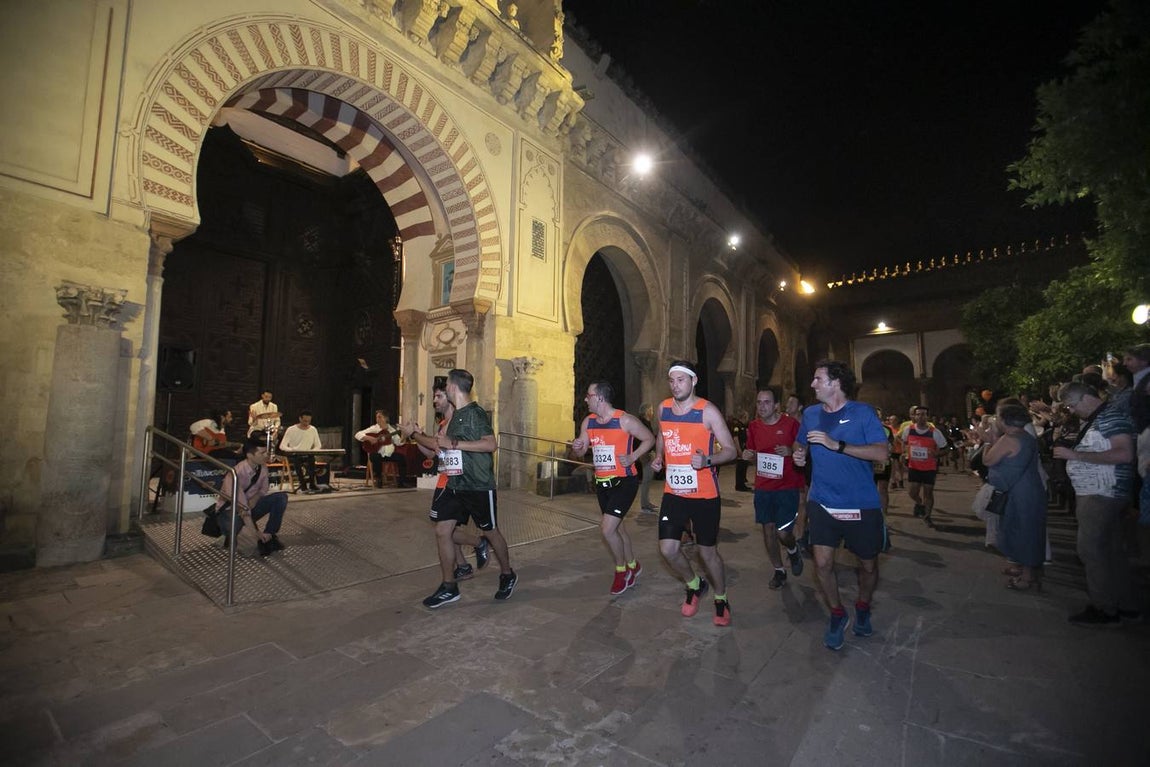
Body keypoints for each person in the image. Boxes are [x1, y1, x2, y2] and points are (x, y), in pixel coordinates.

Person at [793, 360, 889, 651]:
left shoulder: (862, 413)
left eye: (817, 379)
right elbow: (801, 445)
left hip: (861, 503)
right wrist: (800, 455)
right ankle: (837, 613)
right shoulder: (810, 414)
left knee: (868, 565)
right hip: (822, 501)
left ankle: (863, 605)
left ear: (835, 383)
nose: (812, 385)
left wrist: (839, 445)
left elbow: (882, 453)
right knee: (822, 563)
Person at [414, 369, 516, 607]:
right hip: (454, 483)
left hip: (478, 486)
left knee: (491, 532)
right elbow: (442, 448)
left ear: (453, 387)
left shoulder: (475, 413)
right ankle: (449, 586)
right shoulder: (454, 416)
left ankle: (508, 574)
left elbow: (491, 444)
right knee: (442, 531)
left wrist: (455, 443)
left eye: (447, 384)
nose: (444, 388)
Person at [650, 361, 738, 626]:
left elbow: (732, 450)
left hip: (704, 494)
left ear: (694, 381)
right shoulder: (663, 408)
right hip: (674, 492)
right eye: (672, 380)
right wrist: (658, 456)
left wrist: (708, 460)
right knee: (668, 549)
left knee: (707, 553)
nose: (675, 385)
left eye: (681, 380)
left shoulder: (707, 411)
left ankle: (721, 598)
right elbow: (662, 437)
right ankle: (694, 584)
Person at [1054, 382, 1141, 626]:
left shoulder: (1111, 416)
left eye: (1071, 405)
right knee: (1112, 552)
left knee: (1090, 550)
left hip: (1102, 493)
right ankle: (1127, 605)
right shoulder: (1104, 416)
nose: (1071, 411)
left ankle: (1104, 608)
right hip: (1101, 492)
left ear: (1084, 399)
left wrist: (1075, 456)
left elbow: (1124, 453)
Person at [570, 381, 656, 595]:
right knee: (618, 529)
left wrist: (633, 457)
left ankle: (621, 571)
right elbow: (581, 451)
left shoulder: (624, 420)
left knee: (607, 529)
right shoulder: (588, 422)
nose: (585, 399)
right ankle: (634, 565)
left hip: (624, 482)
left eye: (588, 395)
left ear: (599, 398)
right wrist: (577, 447)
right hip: (602, 484)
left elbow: (649, 438)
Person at [403, 380, 478, 582]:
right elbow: (431, 453)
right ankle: (463, 566)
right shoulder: (443, 423)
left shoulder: (454, 421)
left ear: (450, 398)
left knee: (443, 530)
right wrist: (415, 437)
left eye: (439, 396)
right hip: (445, 481)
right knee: (447, 529)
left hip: (455, 483)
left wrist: (416, 434)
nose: (434, 400)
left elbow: (438, 444)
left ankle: (480, 543)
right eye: (434, 396)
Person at [741, 386, 804, 589]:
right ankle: (779, 570)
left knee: (783, 533)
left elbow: (801, 448)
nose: (762, 406)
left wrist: (790, 450)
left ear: (776, 405)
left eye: (767, 402)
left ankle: (793, 551)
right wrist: (748, 456)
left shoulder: (790, 424)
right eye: (759, 402)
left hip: (787, 486)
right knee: (768, 530)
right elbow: (753, 454)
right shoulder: (753, 427)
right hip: (763, 487)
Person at [980, 404, 1047, 590]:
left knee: (1022, 531)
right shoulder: (1026, 437)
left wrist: (987, 442)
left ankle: (1027, 578)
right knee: (1028, 530)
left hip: (1019, 492)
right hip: (1030, 489)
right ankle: (1029, 572)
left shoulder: (1010, 439)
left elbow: (988, 460)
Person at [216, 437, 287, 556]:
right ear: (249, 455)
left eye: (267, 452)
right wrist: (256, 534)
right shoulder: (236, 473)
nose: (266, 455)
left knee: (280, 498)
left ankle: (270, 535)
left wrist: (255, 498)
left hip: (248, 506)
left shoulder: (262, 467)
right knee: (238, 522)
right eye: (262, 453)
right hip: (231, 511)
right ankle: (230, 536)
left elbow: (263, 489)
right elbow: (242, 507)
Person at [898, 406, 948, 526]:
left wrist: (936, 454)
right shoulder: (908, 430)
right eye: (918, 414)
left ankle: (927, 516)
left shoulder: (934, 432)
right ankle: (919, 503)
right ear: (914, 416)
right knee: (912, 492)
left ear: (927, 417)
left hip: (929, 467)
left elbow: (945, 449)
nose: (921, 417)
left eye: (924, 414)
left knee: (928, 493)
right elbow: (903, 442)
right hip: (914, 466)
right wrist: (904, 453)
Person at [354, 410, 405, 487]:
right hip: (377, 453)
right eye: (376, 417)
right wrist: (369, 438)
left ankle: (401, 482)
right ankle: (379, 480)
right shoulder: (374, 428)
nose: (377, 419)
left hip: (389, 454)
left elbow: (399, 443)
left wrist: (405, 437)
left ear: (386, 418)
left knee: (402, 458)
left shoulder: (391, 430)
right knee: (375, 457)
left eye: (379, 417)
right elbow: (357, 434)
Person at [279, 410, 323, 494]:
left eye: (309, 421)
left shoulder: (313, 429)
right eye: (305, 421)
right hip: (295, 454)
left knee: (311, 460)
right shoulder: (291, 429)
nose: (307, 423)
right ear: (300, 419)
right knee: (297, 461)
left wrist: (312, 451)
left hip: (308, 454)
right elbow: (282, 446)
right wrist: (292, 450)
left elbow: (318, 445)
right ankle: (302, 485)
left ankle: (312, 484)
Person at [638, 403, 658, 513]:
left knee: (648, 479)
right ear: (646, 411)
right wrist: (650, 452)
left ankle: (646, 502)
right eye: (651, 410)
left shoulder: (646, 422)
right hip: (646, 455)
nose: (652, 412)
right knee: (646, 479)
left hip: (648, 453)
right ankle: (644, 505)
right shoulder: (643, 424)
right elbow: (644, 439)